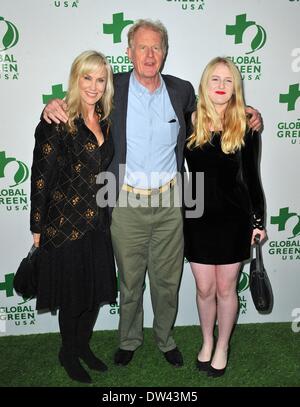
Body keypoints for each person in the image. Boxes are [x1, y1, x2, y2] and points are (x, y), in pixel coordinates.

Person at [42, 20, 262, 368]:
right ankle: (129, 339)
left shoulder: (182, 91)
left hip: (173, 198)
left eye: (156, 47)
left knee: (167, 279)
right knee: (130, 280)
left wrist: (250, 114)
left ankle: (165, 338)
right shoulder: (112, 88)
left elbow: (214, 115)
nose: (149, 54)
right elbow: (80, 104)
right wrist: (51, 107)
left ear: (165, 52)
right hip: (123, 196)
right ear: (129, 52)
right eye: (141, 47)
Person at [30, 50, 117, 383]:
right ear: (76, 78)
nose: (93, 86)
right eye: (87, 78)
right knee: (73, 295)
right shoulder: (58, 118)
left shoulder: (106, 119)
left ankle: (82, 346)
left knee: (93, 292)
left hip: (97, 223)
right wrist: (37, 226)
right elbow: (41, 176)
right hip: (65, 223)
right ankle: (68, 352)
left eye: (100, 79)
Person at [184, 57, 266, 377]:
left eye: (228, 80)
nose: (220, 86)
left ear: (236, 87)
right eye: (215, 80)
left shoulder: (246, 124)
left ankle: (223, 345)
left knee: (226, 288)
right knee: (204, 288)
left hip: (234, 216)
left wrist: (258, 221)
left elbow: (252, 176)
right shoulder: (188, 121)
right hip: (197, 213)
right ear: (205, 84)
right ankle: (207, 341)